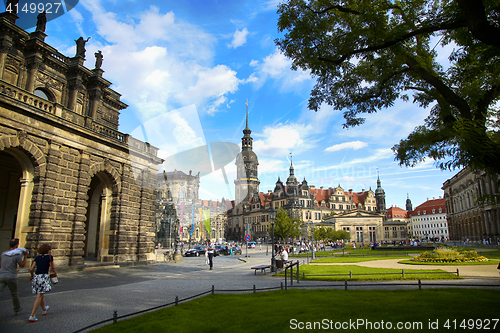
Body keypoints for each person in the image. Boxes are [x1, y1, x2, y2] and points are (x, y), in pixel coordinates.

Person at [29, 244, 57, 322]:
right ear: (48, 250)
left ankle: (44, 309)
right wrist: (55, 275)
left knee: (41, 294)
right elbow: (52, 268)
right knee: (39, 296)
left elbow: (31, 269)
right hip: (43, 277)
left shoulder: (37, 258)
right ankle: (32, 315)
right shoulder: (49, 257)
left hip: (36, 277)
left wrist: (32, 275)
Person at [0, 239, 27, 315]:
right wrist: (25, 256)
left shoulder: (3, 254)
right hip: (11, 277)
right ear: (16, 245)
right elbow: (22, 265)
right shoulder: (17, 255)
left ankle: (17, 309)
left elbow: (0, 265)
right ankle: (17, 309)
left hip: (2, 275)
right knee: (14, 294)